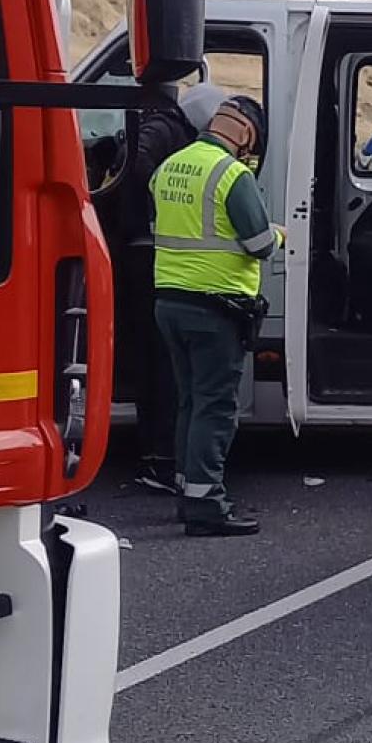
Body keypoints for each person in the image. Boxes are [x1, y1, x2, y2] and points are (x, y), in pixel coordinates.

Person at [151, 96, 283, 537]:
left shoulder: (169, 167)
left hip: (169, 302)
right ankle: (207, 506)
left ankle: (189, 491)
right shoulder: (232, 174)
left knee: (189, 401)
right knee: (215, 406)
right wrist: (282, 233)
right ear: (244, 133)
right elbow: (260, 244)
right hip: (216, 309)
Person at [116, 83, 227, 495]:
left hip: (152, 258)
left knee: (164, 365)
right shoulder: (163, 130)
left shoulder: (166, 129)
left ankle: (164, 456)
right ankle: (160, 460)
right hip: (147, 257)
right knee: (160, 368)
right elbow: (139, 163)